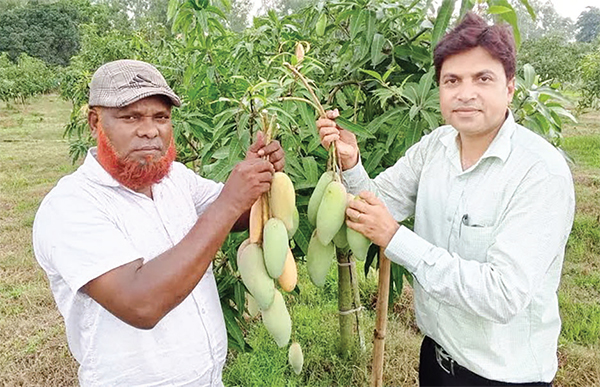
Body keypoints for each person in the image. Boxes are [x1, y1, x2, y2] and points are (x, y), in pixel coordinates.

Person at [317, 13, 574, 387]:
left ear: (510, 88)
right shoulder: (435, 146)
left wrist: (395, 239)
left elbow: (502, 295)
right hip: (436, 359)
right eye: (452, 80)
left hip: (502, 377)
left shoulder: (539, 173)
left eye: (483, 79)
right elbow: (377, 204)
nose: (465, 93)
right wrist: (351, 163)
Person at [32, 59, 285, 386]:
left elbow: (238, 219)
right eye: (131, 116)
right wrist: (229, 201)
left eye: (161, 117)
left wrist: (262, 180)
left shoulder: (174, 179)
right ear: (95, 122)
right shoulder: (70, 206)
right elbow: (141, 303)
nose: (150, 130)